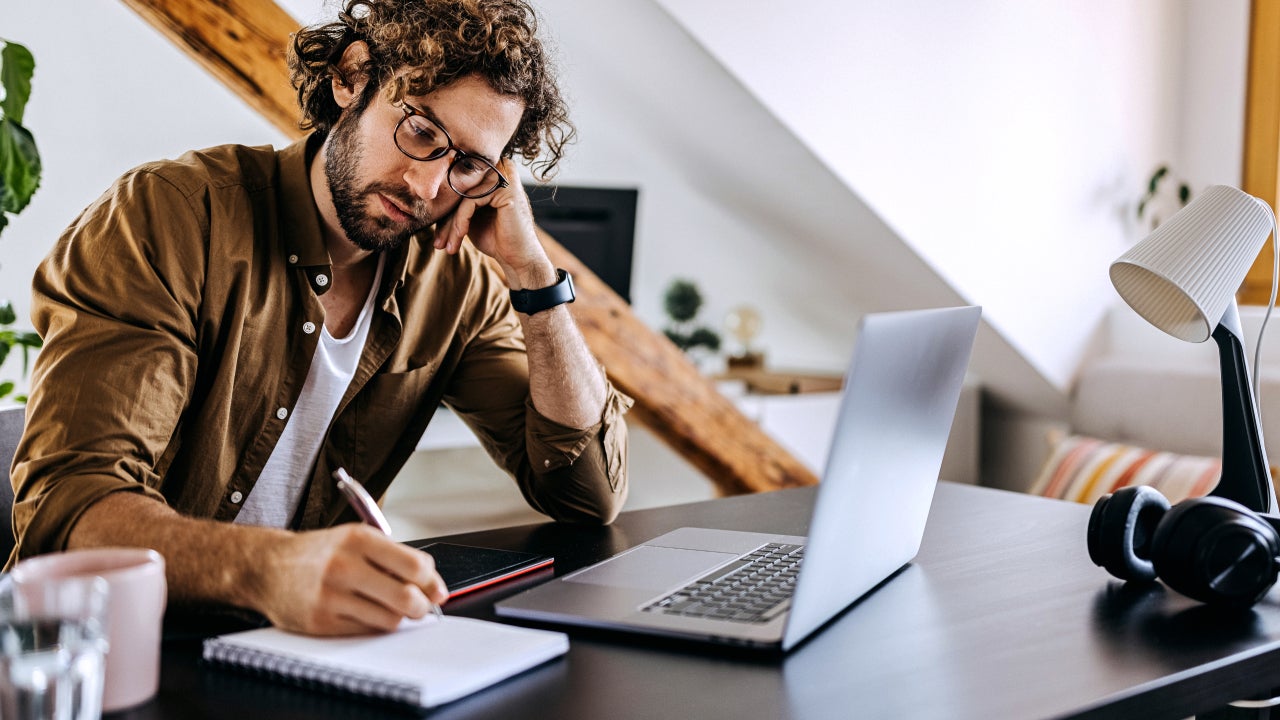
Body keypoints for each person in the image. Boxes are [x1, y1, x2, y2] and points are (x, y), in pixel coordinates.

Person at [8, 0, 631, 636]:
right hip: (115, 647)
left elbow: (584, 494)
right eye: (419, 130)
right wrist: (272, 570)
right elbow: (71, 511)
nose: (425, 184)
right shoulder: (170, 218)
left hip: (302, 652)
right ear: (351, 78)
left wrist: (532, 272)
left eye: (467, 164)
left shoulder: (455, 282)